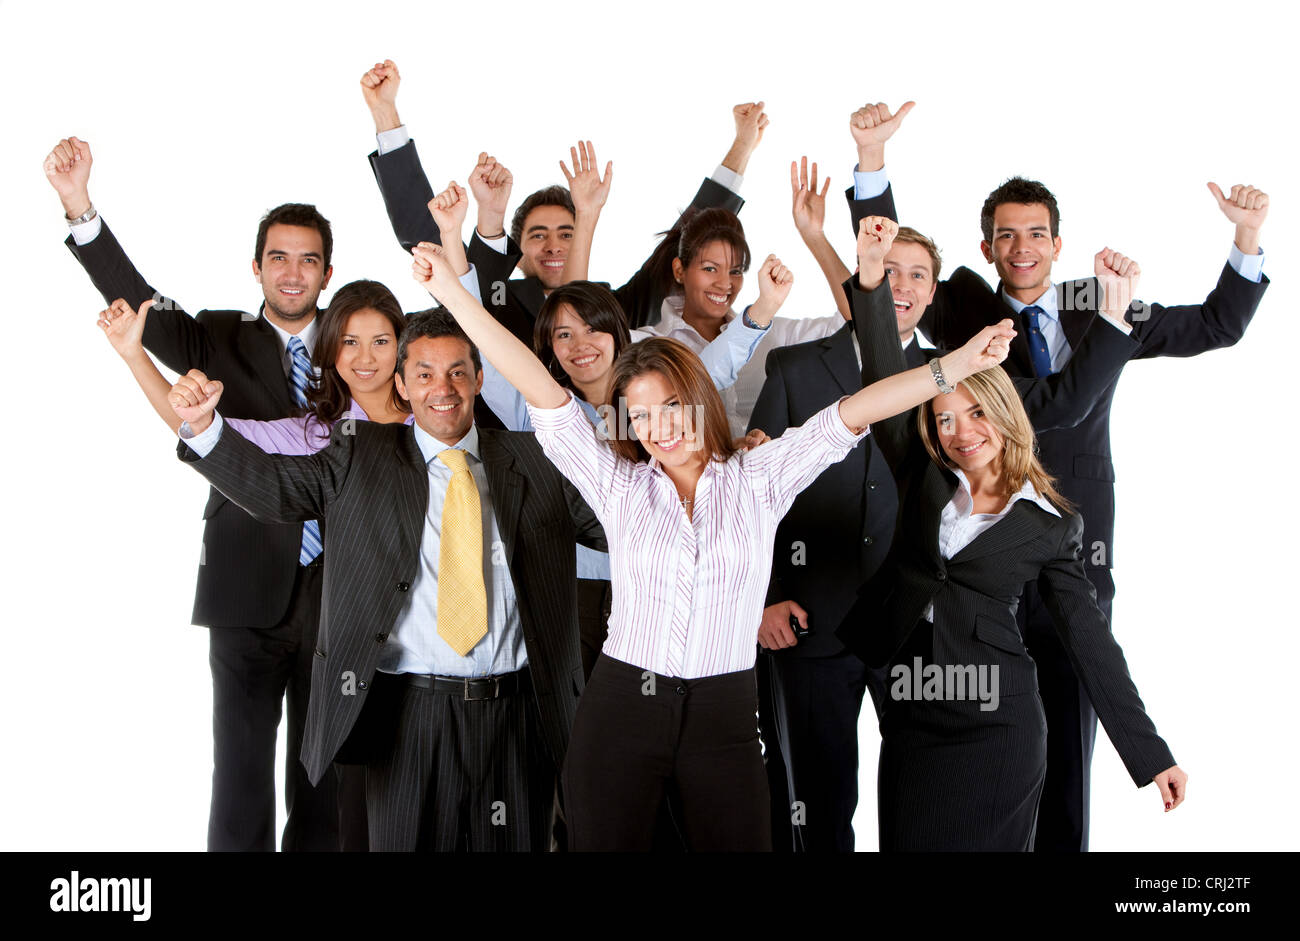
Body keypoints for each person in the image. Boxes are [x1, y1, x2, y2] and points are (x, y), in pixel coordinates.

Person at [408, 235, 1016, 851]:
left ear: (697, 399)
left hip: (724, 715)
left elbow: (856, 410)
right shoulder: (617, 485)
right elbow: (534, 382)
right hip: (621, 709)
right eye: (640, 417)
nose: (660, 428)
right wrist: (450, 293)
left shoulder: (760, 476)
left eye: (672, 406)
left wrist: (957, 367)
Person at [842, 101, 1269, 851]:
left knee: (1065, 755)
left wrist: (1246, 238)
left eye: (1036, 232)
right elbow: (898, 282)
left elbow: (1216, 325)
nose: (1021, 246)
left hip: (1061, 544)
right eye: (1005, 234)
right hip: (964, 599)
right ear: (988, 245)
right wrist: (872, 168)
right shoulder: (970, 308)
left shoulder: (1098, 307)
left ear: (1058, 242)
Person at [167, 307, 606, 852]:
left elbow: (623, 527)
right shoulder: (359, 455)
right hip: (408, 719)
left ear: (479, 379)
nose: (441, 389)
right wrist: (207, 427)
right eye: (423, 374)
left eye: (457, 372)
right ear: (401, 384)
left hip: (519, 716)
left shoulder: (536, 461)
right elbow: (273, 489)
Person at [838, 217, 1187, 851]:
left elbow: (1090, 643)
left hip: (1002, 732)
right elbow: (883, 371)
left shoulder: (1051, 525)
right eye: (943, 418)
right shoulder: (922, 473)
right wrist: (869, 277)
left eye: (975, 413)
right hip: (914, 722)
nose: (960, 431)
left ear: (1003, 415)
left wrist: (1149, 755)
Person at [44, 136, 345, 852]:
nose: (293, 272)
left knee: (327, 773)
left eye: (308, 259)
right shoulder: (216, 335)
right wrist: (81, 206)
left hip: (340, 586)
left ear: (328, 271)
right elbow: (137, 301)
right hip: (245, 581)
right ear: (257, 266)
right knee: (239, 769)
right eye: (279, 256)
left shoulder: (356, 346)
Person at [360, 58, 763, 334]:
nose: (554, 245)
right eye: (538, 235)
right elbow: (428, 239)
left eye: (567, 233)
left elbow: (686, 239)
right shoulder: (500, 298)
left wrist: (741, 147)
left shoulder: (614, 306)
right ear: (517, 248)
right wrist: (386, 116)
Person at [636, 206, 853, 436]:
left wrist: (815, 236)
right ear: (680, 270)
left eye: (736, 271)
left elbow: (856, 322)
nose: (725, 284)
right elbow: (693, 384)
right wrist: (760, 312)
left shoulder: (773, 334)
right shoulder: (648, 345)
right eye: (710, 269)